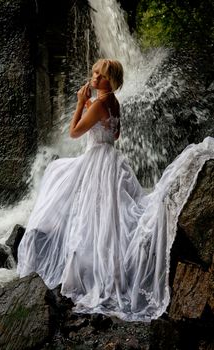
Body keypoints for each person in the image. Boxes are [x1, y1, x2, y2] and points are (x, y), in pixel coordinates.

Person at [17, 58, 214, 322]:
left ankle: (85, 271)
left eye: (101, 75)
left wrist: (80, 103)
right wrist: (91, 107)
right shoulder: (112, 102)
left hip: (96, 161)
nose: (94, 77)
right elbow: (115, 135)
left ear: (112, 81)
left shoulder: (98, 103)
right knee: (108, 218)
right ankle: (103, 268)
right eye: (95, 72)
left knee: (69, 189)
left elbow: (75, 132)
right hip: (111, 160)